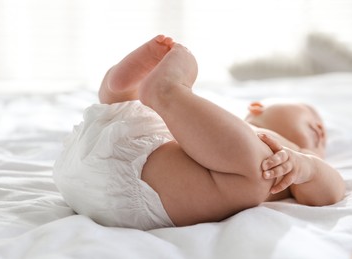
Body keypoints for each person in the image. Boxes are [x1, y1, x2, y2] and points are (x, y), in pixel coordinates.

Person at [53, 35, 345, 230]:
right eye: (310, 115)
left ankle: (129, 94)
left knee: (260, 173)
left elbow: (331, 192)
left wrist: (309, 166)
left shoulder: (291, 160)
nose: (321, 129)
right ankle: (131, 96)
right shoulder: (225, 127)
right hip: (134, 157)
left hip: (99, 177)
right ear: (255, 108)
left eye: (323, 134)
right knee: (140, 114)